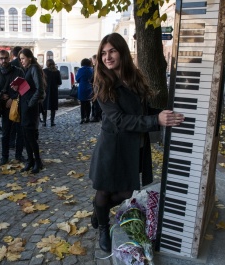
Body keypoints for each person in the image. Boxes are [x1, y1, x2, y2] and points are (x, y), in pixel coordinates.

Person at [89, 33, 184, 252]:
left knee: (127, 192)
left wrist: (163, 115)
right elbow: (120, 120)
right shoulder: (103, 84)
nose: (107, 57)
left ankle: (99, 209)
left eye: (112, 51)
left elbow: (140, 111)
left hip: (135, 145)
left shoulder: (135, 78)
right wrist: (155, 121)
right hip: (112, 146)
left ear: (122, 51)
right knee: (104, 191)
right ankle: (103, 226)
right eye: (103, 53)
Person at [0, 49, 25, 165]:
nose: (3, 60)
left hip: (18, 106)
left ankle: (18, 155)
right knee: (5, 133)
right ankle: (5, 156)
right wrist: (0, 95)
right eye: (1, 58)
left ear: (9, 58)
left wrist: (13, 98)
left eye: (5, 58)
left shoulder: (18, 71)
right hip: (4, 108)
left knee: (20, 132)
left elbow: (24, 89)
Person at [16, 48, 45, 173]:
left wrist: (30, 104)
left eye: (22, 58)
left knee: (31, 136)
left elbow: (39, 90)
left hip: (29, 107)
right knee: (25, 135)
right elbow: (29, 89)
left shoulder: (34, 68)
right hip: (24, 105)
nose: (21, 61)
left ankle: (37, 161)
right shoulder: (27, 69)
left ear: (29, 58)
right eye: (20, 59)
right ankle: (30, 160)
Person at [42, 59, 62, 127]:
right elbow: (59, 82)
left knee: (44, 107)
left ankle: (44, 122)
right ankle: (52, 122)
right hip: (54, 90)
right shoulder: (57, 72)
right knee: (53, 107)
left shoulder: (44, 71)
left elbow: (41, 81)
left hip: (45, 91)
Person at [76, 58, 93, 124]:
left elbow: (77, 79)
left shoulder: (80, 70)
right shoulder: (92, 70)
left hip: (82, 88)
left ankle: (82, 118)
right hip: (89, 88)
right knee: (88, 103)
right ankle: (88, 117)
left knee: (82, 104)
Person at [90, 54, 102, 122]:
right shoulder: (100, 67)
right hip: (99, 86)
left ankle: (96, 116)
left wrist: (91, 81)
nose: (92, 61)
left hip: (96, 86)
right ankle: (98, 116)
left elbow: (94, 78)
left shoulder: (96, 67)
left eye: (92, 59)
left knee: (96, 102)